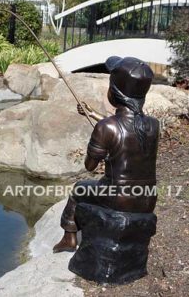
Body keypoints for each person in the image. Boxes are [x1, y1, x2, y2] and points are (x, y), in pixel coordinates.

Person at [53, 56, 160, 253]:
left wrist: (97, 143)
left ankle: (69, 238)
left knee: (79, 188)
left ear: (114, 91)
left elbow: (90, 166)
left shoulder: (106, 127)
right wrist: (93, 115)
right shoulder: (153, 125)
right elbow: (128, 128)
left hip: (118, 198)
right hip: (148, 197)